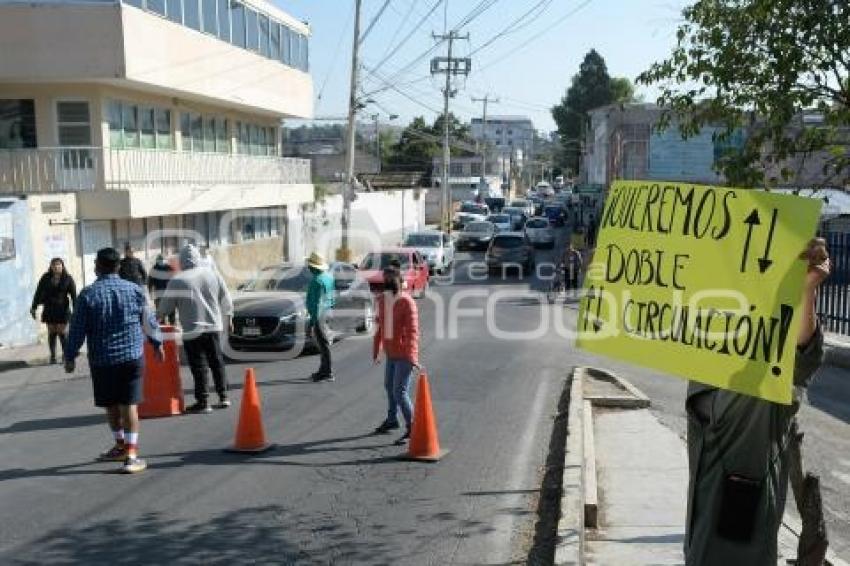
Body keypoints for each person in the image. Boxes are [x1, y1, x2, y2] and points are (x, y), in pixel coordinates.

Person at [684, 238, 830, 566]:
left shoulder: (767, 385)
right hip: (698, 542)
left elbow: (801, 357)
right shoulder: (705, 364)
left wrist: (807, 291)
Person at [64, 247, 162, 474]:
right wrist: (157, 343)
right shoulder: (135, 290)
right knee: (129, 406)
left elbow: (77, 330)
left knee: (110, 404)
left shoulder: (88, 295)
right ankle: (130, 454)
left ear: (97, 266)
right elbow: (148, 320)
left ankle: (121, 445)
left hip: (102, 359)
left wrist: (70, 356)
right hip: (131, 357)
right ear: (118, 266)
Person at [157, 244, 233, 413]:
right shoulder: (213, 275)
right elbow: (226, 298)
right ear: (198, 258)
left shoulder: (178, 280)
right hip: (214, 327)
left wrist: (157, 317)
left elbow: (165, 308)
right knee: (217, 362)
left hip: (192, 329)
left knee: (199, 366)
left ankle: (203, 401)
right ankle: (224, 396)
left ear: (182, 260)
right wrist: (230, 317)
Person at [372, 265, 420, 444]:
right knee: (388, 386)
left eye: (389, 283)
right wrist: (376, 350)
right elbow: (380, 327)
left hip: (404, 355)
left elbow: (413, 332)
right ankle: (392, 420)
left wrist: (412, 357)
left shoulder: (407, 302)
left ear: (398, 284)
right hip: (391, 353)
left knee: (399, 391)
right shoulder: (383, 300)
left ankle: (413, 427)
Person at [30, 257, 77, 364]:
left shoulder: (68, 278)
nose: (56, 267)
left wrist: (76, 310)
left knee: (62, 332)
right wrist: (33, 307)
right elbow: (38, 292)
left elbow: (74, 296)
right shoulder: (45, 278)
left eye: (59, 265)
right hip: (49, 309)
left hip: (63, 310)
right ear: (51, 267)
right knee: (52, 333)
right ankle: (53, 356)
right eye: (54, 265)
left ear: (62, 266)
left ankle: (66, 355)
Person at [305, 252, 335, 382]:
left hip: (319, 315)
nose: (308, 267)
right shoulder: (328, 277)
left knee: (323, 344)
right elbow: (332, 297)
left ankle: (327, 372)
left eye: (310, 265)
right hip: (327, 312)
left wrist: (312, 321)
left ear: (314, 267)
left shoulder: (317, 281)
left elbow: (316, 303)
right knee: (323, 344)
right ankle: (323, 370)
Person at [147, 254, 175, 325]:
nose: (161, 261)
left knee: (171, 311)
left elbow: (175, 280)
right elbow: (150, 282)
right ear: (157, 261)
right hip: (159, 294)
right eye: (159, 260)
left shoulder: (169, 268)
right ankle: (162, 327)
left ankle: (172, 325)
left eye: (162, 260)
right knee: (160, 313)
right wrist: (150, 292)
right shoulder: (154, 269)